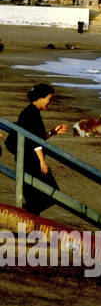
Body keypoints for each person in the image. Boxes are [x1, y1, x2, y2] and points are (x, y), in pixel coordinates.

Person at [5, 83, 66, 216]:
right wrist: (42, 160)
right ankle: (25, 216)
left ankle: (28, 216)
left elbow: (36, 137)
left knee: (40, 196)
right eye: (49, 99)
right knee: (49, 194)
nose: (50, 103)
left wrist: (52, 132)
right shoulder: (30, 113)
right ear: (40, 98)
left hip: (29, 160)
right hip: (31, 162)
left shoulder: (31, 112)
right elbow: (32, 139)